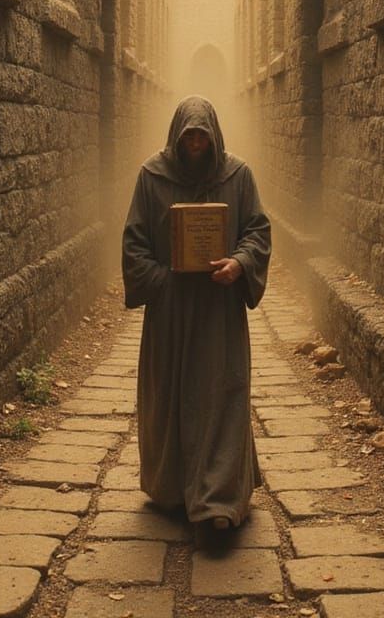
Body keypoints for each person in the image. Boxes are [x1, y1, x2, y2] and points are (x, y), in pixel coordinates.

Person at [122, 95, 271, 533]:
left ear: (214, 136)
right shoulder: (151, 176)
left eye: (202, 135)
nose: (195, 142)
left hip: (217, 310)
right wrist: (163, 278)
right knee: (170, 393)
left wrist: (240, 263)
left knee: (220, 393)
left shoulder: (238, 176)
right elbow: (133, 244)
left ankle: (217, 502)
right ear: (176, 136)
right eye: (189, 135)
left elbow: (257, 231)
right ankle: (171, 489)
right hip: (171, 313)